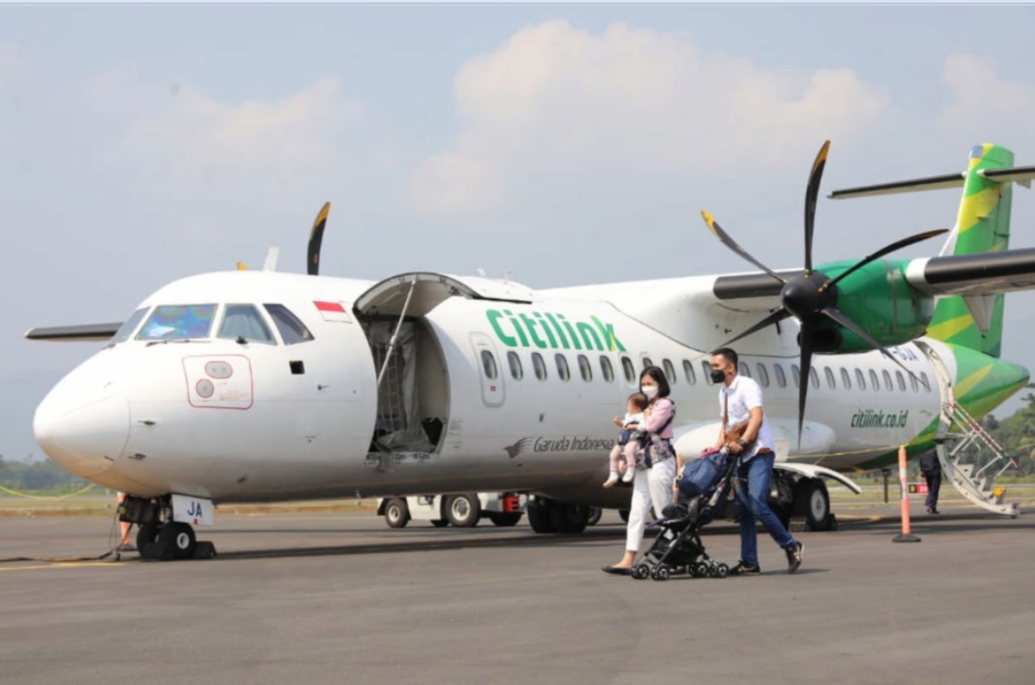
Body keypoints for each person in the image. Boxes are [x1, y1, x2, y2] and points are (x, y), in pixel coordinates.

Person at [710, 348, 804, 575]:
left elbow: (757, 417)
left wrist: (742, 442)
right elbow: (726, 426)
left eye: (716, 366)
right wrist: (714, 449)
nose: (712, 371)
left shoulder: (747, 386)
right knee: (743, 509)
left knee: (756, 502)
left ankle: (791, 545)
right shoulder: (723, 393)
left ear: (730, 367)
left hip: (759, 451)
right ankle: (749, 561)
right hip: (741, 455)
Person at [602, 367, 677, 575]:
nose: (647, 387)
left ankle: (672, 555)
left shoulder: (665, 404)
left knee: (664, 510)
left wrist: (631, 423)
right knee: (636, 510)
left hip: (661, 461)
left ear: (660, 384)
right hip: (644, 462)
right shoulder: (643, 407)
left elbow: (651, 426)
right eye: (644, 383)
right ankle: (628, 557)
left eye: (651, 383)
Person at [603, 392, 649, 487]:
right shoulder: (629, 415)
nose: (627, 407)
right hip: (624, 440)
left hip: (634, 439)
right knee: (613, 454)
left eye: (629, 405)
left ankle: (631, 469)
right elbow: (625, 425)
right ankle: (613, 474)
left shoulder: (641, 416)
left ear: (637, 408)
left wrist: (633, 426)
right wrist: (619, 422)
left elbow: (644, 426)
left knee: (629, 450)